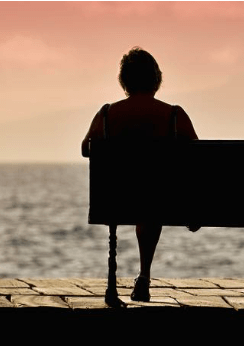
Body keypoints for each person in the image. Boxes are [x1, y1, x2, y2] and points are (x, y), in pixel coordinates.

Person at [82, 47, 199, 302]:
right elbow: (198, 158)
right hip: (162, 202)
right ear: (156, 79)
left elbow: (85, 148)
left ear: (124, 81)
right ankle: (144, 275)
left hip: (114, 201)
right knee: (151, 195)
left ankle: (114, 284)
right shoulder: (174, 115)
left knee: (144, 195)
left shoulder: (106, 114)